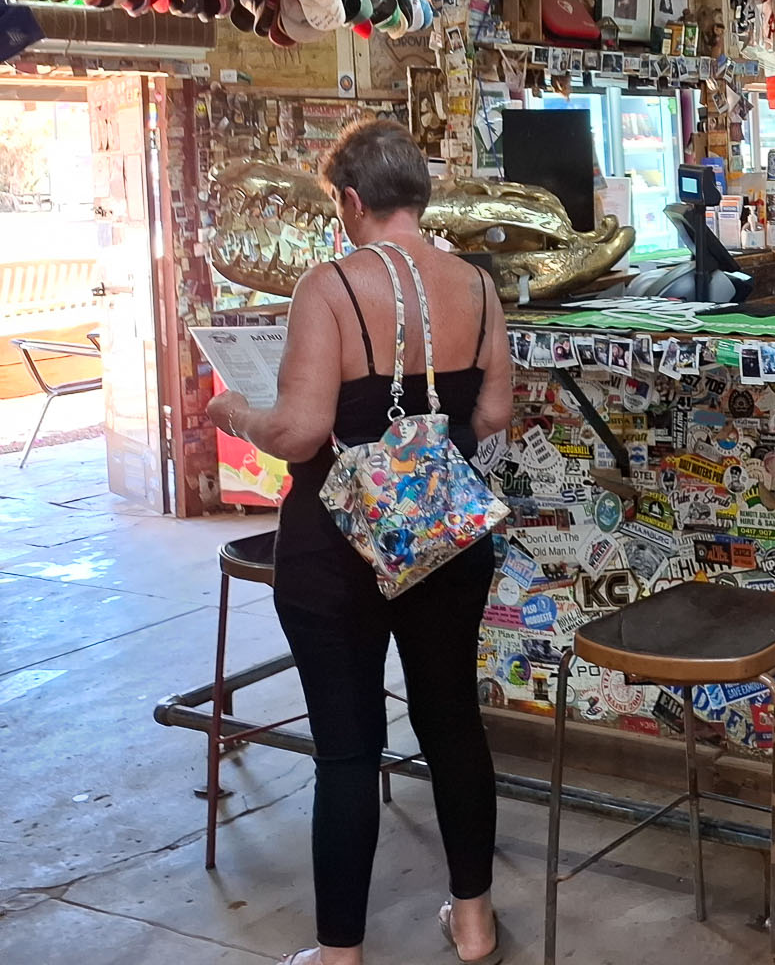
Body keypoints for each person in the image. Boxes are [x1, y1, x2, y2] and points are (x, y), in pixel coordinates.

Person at [205, 119, 511, 965]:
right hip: (445, 539)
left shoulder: (329, 287)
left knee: (346, 749)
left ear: (349, 201)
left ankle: (340, 954)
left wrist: (238, 412)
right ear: (419, 195)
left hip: (336, 548)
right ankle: (474, 924)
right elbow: (492, 413)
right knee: (453, 725)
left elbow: (301, 432)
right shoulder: (478, 286)